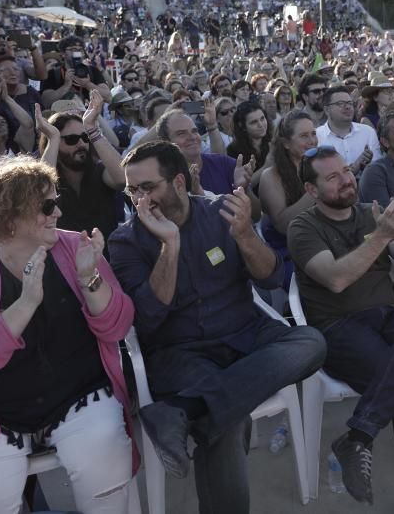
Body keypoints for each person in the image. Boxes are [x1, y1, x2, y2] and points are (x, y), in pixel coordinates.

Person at [108, 141, 325, 514]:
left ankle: (185, 409)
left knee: (312, 341)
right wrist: (169, 247)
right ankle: (208, 409)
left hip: (246, 334)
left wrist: (245, 236)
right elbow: (146, 317)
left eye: (147, 187)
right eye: (132, 190)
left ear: (178, 182)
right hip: (180, 352)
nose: (139, 199)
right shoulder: (125, 241)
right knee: (227, 422)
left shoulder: (221, 213)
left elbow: (271, 277)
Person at [0, 157, 138, 514]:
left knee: (106, 458)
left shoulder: (75, 248)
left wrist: (90, 279)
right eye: (46, 205)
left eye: (57, 201)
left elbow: (118, 326)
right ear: (9, 216)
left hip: (78, 394)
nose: (57, 213)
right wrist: (24, 305)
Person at [287, 146, 394, 512]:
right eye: (332, 177)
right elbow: (337, 280)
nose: (346, 180)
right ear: (312, 190)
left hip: (387, 314)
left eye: (345, 171)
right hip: (340, 326)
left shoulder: (369, 213)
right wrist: (382, 235)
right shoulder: (303, 226)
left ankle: (358, 435)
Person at [37, 92, 126, 253]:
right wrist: (54, 139)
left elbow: (123, 179)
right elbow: (38, 192)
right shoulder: (49, 173)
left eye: (84, 137)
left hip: (107, 259)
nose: (81, 144)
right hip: (62, 262)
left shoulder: (99, 170)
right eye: (71, 139)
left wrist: (92, 129)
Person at [257, 110, 319, 288]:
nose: (312, 141)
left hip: (323, 242)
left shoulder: (319, 164)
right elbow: (283, 225)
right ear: (286, 143)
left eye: (313, 134)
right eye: (304, 136)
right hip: (289, 253)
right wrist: (316, 190)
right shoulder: (271, 176)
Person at [316, 85, 381, 176]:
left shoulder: (368, 132)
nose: (347, 107)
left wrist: (367, 165)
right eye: (340, 103)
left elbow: (378, 169)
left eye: (350, 103)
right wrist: (353, 168)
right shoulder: (316, 137)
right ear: (327, 110)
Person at [227, 101, 272, 171]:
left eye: (262, 118)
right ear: (242, 126)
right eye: (254, 122)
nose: (260, 125)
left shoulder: (274, 141)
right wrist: (266, 166)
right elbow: (241, 181)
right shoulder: (233, 151)